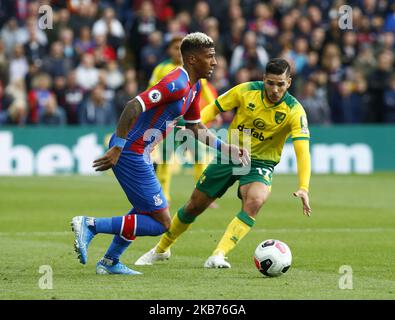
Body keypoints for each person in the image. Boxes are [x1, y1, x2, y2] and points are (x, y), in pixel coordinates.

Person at [70, 32, 249, 275]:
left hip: (141, 151)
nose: (215, 62)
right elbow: (132, 106)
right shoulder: (175, 83)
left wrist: (225, 148)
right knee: (162, 223)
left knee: (145, 209)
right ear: (193, 59)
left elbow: (195, 126)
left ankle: (110, 261)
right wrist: (118, 147)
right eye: (209, 57)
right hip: (130, 152)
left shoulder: (194, 87)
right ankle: (90, 225)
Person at [135, 58, 312, 268]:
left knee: (254, 201)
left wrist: (303, 187)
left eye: (280, 84)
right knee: (194, 206)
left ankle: (219, 254)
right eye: (270, 83)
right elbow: (213, 108)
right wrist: (193, 126)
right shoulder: (245, 91)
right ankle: (162, 249)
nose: (275, 89)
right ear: (264, 79)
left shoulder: (295, 110)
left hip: (262, 161)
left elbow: (302, 151)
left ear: (289, 83)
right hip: (232, 151)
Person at [148, 34, 220, 206]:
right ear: (170, 50)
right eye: (174, 48)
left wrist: (214, 111)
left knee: (199, 158)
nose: (177, 52)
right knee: (166, 158)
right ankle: (163, 194)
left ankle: (203, 196)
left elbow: (206, 91)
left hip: (190, 122)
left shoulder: (193, 70)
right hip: (170, 123)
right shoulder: (162, 68)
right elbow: (151, 90)